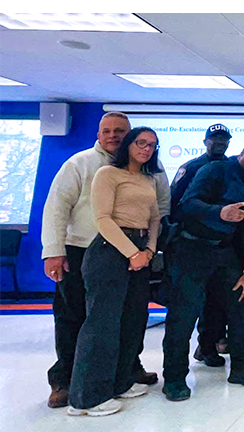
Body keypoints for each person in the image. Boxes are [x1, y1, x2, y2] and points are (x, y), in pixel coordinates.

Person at [41, 112, 166, 409]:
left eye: (120, 130)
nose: (113, 135)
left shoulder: (149, 171)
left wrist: (147, 251)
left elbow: (159, 210)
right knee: (78, 318)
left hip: (134, 254)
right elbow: (57, 207)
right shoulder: (81, 163)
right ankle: (67, 381)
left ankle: (123, 374)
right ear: (98, 134)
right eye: (107, 130)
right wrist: (53, 250)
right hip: (85, 250)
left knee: (129, 317)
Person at [162, 142, 244, 400]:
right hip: (191, 249)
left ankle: (242, 368)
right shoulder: (215, 170)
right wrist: (219, 212)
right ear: (242, 154)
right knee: (183, 316)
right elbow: (187, 205)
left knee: (243, 306)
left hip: (226, 253)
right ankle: (174, 379)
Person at [168, 124, 233, 367]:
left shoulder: (232, 169)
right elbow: (175, 204)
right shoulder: (192, 168)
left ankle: (207, 347)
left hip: (222, 248)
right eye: (215, 139)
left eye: (223, 139)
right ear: (205, 141)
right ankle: (175, 371)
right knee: (187, 308)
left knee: (217, 304)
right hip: (193, 246)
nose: (219, 143)